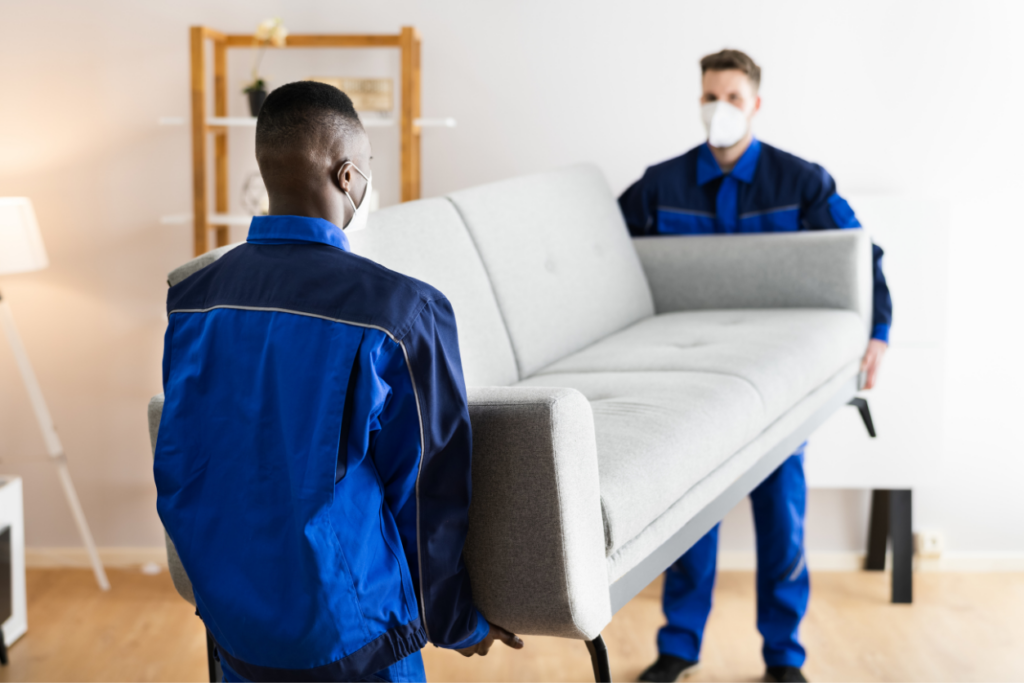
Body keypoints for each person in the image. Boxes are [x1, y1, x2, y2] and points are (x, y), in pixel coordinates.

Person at [153, 81, 523, 683]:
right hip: (351, 637)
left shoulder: (192, 302)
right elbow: (429, 489)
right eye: (369, 168)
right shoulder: (402, 310)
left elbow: (179, 459)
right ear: (348, 176)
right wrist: (457, 620)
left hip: (232, 628)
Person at [619, 50, 892, 683]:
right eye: (710, 96)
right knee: (690, 523)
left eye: (733, 98)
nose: (720, 108)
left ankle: (784, 658)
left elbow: (860, 255)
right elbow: (604, 249)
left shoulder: (802, 183)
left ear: (756, 104)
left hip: (777, 380)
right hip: (686, 379)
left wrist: (877, 331)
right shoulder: (661, 184)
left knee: (782, 519)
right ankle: (678, 650)